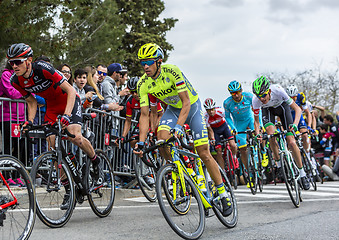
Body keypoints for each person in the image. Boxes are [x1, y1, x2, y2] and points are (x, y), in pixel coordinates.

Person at [133, 43, 233, 216]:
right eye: (142, 63)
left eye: (149, 62)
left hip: (192, 107)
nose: (145, 66)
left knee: (203, 152)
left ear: (159, 61)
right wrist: (141, 142)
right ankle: (184, 172)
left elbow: (186, 102)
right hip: (173, 110)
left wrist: (179, 127)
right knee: (161, 140)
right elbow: (144, 115)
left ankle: (223, 193)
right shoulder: (143, 83)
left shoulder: (172, 71)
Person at [7, 43, 103, 209]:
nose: (14, 66)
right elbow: (31, 101)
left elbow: (71, 91)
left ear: (29, 60)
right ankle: (69, 190)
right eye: (11, 63)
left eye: (18, 61)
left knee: (76, 136)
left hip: (68, 101)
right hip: (51, 106)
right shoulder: (16, 80)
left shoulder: (42, 69)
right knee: (53, 147)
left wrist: (66, 115)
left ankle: (96, 162)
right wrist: (30, 121)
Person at [252, 76, 310, 190]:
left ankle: (303, 174)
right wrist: (258, 133)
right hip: (268, 111)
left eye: (263, 95)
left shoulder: (278, 90)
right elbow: (257, 121)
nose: (262, 99)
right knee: (270, 134)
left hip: (282, 108)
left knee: (292, 142)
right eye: (259, 96)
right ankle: (278, 164)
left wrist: (294, 124)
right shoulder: (256, 101)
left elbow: (297, 109)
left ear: (269, 91)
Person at [224, 80, 265, 186]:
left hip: (250, 120)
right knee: (242, 149)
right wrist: (232, 128)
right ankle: (250, 173)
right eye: (233, 93)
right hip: (239, 125)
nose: (236, 95)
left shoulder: (249, 97)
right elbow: (228, 117)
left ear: (241, 90)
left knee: (259, 134)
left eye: (238, 92)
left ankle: (263, 152)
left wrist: (260, 124)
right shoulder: (227, 103)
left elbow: (257, 110)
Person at [203, 97, 237, 172]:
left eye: (212, 109)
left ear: (214, 108)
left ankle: (234, 157)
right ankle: (223, 171)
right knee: (218, 150)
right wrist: (212, 139)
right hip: (215, 131)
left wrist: (232, 129)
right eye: (209, 110)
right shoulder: (205, 117)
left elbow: (229, 119)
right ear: (206, 110)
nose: (211, 112)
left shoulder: (220, 111)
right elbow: (210, 130)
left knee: (232, 144)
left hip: (224, 127)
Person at [286, 85, 313, 156]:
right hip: (290, 118)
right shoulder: (284, 99)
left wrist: (309, 126)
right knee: (290, 141)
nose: (292, 99)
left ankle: (307, 154)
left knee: (304, 135)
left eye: (294, 97)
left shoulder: (300, 98)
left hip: (298, 116)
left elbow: (308, 113)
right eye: (290, 97)